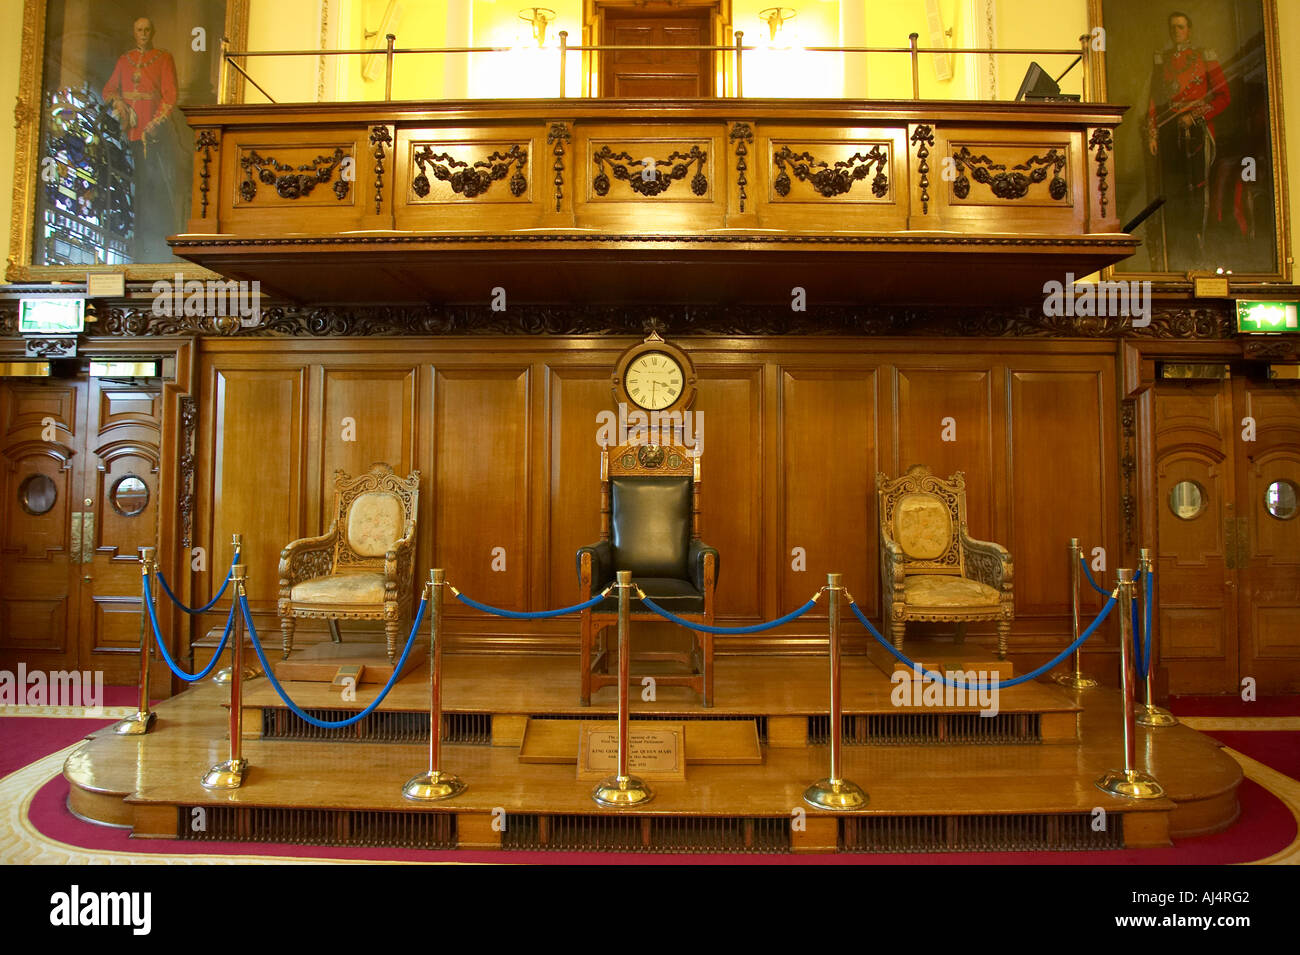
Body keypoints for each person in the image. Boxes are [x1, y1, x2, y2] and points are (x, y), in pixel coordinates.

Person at [1145, 10, 1230, 271]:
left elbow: (1223, 96)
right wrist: (1153, 130)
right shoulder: (1162, 59)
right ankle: (1176, 245)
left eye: (1181, 27)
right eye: (1173, 28)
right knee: (1173, 189)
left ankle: (1199, 242)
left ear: (1189, 30)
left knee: (1198, 188)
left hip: (1198, 131)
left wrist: (1195, 116)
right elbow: (1153, 99)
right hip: (1170, 131)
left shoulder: (1206, 56)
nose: (1177, 31)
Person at [102, 16, 183, 263]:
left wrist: (155, 123)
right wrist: (118, 103)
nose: (144, 34)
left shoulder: (163, 58)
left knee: (153, 189)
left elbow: (170, 96)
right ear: (134, 32)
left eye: (147, 30)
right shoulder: (124, 60)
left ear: (153, 32)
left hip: (153, 134)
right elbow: (108, 90)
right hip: (129, 132)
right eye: (139, 30)